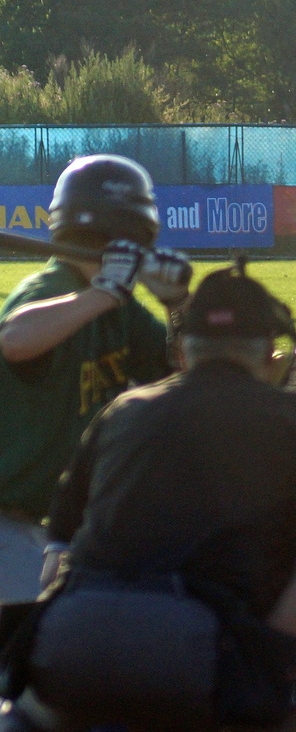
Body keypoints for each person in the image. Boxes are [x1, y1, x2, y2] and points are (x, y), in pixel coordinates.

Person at [0, 263, 296, 732]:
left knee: (23, 718)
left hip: (71, 644)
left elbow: (55, 565)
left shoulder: (120, 413)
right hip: (193, 652)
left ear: (182, 351)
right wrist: (263, 669)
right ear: (271, 352)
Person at [0, 155, 190, 604]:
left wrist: (179, 308)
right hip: (12, 526)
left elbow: (186, 377)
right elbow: (13, 340)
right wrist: (104, 293)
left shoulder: (120, 310)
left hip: (68, 528)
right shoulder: (50, 289)